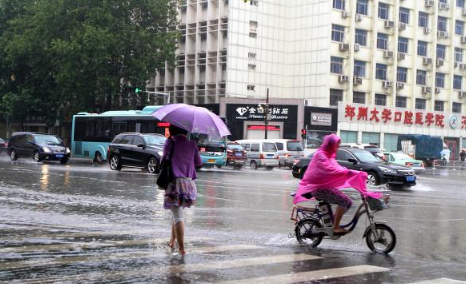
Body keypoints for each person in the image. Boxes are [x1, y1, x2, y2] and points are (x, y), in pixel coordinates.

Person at [293, 134, 381, 234]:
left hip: (324, 187)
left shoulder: (329, 156)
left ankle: (333, 223)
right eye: (336, 145)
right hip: (317, 188)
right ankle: (335, 227)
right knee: (344, 201)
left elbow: (339, 168)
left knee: (348, 202)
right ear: (330, 144)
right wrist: (348, 173)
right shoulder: (321, 155)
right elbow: (330, 169)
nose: (337, 148)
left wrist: (353, 173)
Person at [162, 124, 202, 255]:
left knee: (178, 215)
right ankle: (172, 241)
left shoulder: (170, 142)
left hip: (175, 183)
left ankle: (181, 249)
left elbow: (164, 159)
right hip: (189, 184)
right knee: (176, 213)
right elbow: (198, 162)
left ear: (173, 130)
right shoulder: (192, 144)